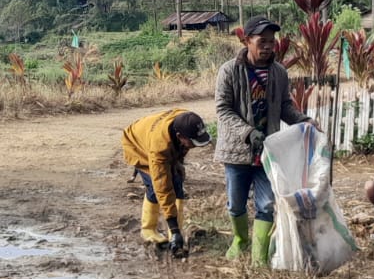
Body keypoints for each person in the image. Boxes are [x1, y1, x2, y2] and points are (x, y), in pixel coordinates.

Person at [214, 16, 307, 266]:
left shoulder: (279, 72)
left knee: (266, 204)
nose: (268, 46)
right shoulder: (229, 70)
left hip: (268, 151)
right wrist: (247, 132)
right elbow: (222, 109)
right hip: (237, 151)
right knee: (236, 204)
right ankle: (240, 240)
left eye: (271, 42)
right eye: (261, 41)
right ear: (247, 41)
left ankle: (259, 257)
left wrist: (303, 121)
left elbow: (285, 106)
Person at [120, 109, 211, 257]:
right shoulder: (158, 148)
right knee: (155, 188)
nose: (195, 146)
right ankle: (148, 229)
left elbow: (181, 147)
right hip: (136, 145)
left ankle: (174, 234)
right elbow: (163, 187)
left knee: (177, 181)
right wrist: (174, 229)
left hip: (153, 137)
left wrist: (178, 162)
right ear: (179, 136)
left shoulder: (186, 119)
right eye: (193, 142)